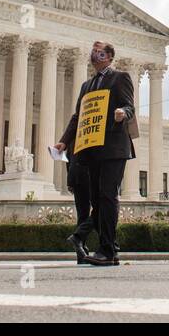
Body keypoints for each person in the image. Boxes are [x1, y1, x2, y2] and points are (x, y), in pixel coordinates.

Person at [55, 40, 135, 267]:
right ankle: (110, 249)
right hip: (93, 148)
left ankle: (107, 251)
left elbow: (130, 106)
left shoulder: (120, 77)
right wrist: (64, 141)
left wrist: (122, 112)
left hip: (114, 146)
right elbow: (77, 116)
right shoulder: (86, 86)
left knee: (108, 195)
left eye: (99, 53)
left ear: (109, 56)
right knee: (99, 199)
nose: (94, 56)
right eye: (93, 53)